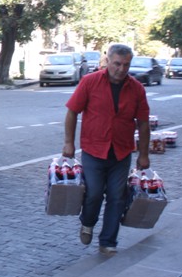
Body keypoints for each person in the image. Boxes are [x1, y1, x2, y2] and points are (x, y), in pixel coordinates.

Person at [62, 43, 150, 255]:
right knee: (93, 193)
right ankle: (88, 222)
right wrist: (69, 142)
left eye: (126, 65)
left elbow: (144, 122)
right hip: (94, 149)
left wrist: (144, 154)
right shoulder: (90, 82)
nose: (121, 69)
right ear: (108, 61)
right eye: (117, 64)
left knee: (117, 197)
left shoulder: (136, 88)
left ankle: (108, 241)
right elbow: (72, 111)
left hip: (121, 152)